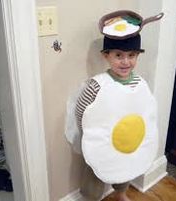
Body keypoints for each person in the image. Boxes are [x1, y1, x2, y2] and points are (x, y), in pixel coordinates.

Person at [65, 10, 163, 201]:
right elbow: (81, 111)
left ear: (137, 56)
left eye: (132, 55)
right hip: (102, 141)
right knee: (95, 176)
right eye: (119, 55)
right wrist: (93, 134)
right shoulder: (97, 85)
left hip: (129, 140)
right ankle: (91, 198)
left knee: (125, 168)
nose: (126, 61)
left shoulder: (140, 83)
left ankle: (120, 193)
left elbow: (144, 110)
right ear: (106, 56)